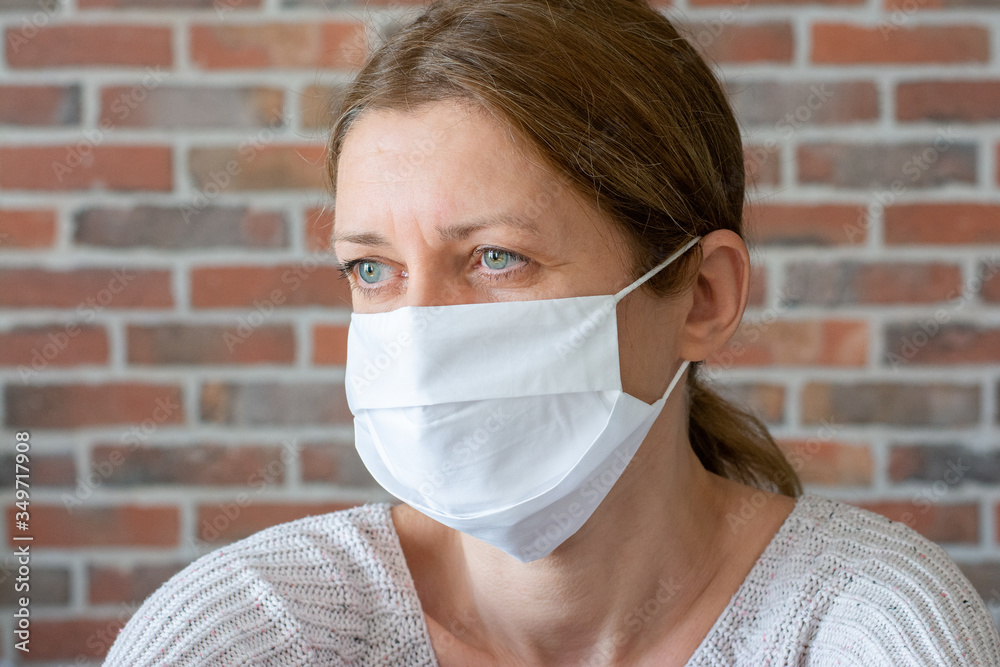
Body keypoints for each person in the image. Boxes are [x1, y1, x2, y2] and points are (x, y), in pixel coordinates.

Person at [104, 0, 1000, 664]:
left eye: (496, 258)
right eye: (371, 269)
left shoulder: (875, 630)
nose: (418, 331)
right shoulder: (248, 635)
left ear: (702, 297)